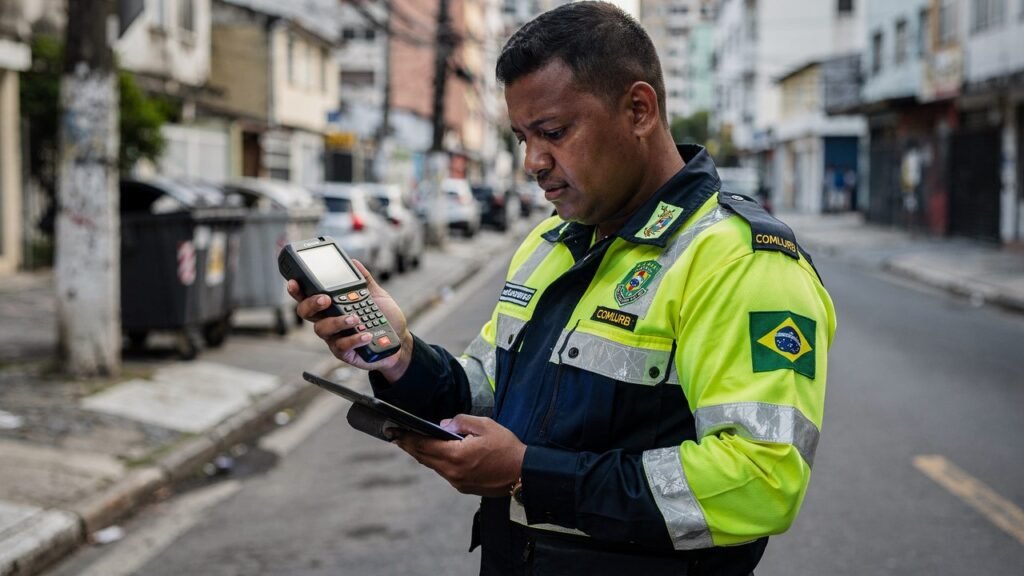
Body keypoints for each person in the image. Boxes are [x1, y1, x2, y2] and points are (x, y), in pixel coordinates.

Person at [289, 3, 836, 574]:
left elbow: (761, 481)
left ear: (639, 110)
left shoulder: (740, 262)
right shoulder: (550, 244)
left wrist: (528, 472)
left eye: (553, 132)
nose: (532, 161)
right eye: (522, 137)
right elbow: (489, 395)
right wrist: (402, 357)